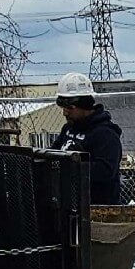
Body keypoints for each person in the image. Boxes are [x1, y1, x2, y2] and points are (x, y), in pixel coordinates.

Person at [51, 72, 125, 205]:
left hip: (97, 210)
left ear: (84, 105)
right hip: (69, 206)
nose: (65, 113)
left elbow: (106, 172)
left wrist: (80, 162)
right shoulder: (68, 129)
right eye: (63, 108)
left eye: (70, 108)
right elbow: (53, 153)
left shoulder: (106, 134)